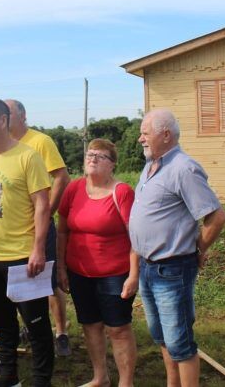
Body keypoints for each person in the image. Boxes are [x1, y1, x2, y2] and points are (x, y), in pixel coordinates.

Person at [129, 109, 225, 387]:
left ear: (166, 135)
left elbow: (216, 217)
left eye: (145, 133)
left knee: (179, 340)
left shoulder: (183, 168)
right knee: (160, 334)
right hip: (149, 266)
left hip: (172, 268)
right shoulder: (151, 166)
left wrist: (198, 248)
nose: (140, 139)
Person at [0, 98, 54, 387]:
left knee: (36, 324)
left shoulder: (28, 157)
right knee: (3, 323)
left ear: (3, 121)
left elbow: (42, 205)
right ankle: (9, 377)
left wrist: (38, 248)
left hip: (22, 257)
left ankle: (41, 380)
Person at [57, 138, 138, 387]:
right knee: (90, 324)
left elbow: (136, 236)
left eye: (100, 156)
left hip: (114, 274)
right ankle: (100, 377)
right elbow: (62, 231)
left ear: (112, 164)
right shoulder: (74, 188)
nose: (92, 158)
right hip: (79, 271)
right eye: (89, 154)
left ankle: (126, 382)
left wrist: (134, 275)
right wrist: (60, 267)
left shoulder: (121, 192)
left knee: (118, 328)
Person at [4, 99, 72, 357]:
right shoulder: (0, 146)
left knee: (49, 281)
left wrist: (49, 211)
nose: (5, 118)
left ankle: (61, 332)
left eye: (8, 113)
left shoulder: (40, 141)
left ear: (22, 115)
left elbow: (61, 177)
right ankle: (30, 328)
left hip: (39, 225)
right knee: (23, 279)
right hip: (15, 228)